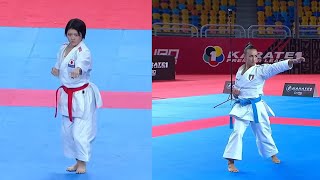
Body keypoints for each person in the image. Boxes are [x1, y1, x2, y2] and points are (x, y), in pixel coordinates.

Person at [222, 43, 305, 173]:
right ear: (244, 57)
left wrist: (292, 61)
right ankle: (230, 161)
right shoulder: (239, 70)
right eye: (251, 56)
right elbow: (237, 88)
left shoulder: (260, 70)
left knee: (264, 132)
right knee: (237, 132)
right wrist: (235, 92)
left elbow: (275, 67)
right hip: (242, 107)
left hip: (256, 106)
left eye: (256, 56)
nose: (254, 59)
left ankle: (272, 154)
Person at [51, 18, 103, 174]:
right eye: (70, 34)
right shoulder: (62, 48)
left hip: (81, 96)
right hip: (67, 95)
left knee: (79, 133)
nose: (72, 38)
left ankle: (83, 163)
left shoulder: (84, 52)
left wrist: (78, 70)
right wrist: (56, 71)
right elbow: (59, 67)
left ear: (82, 35)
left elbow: (82, 65)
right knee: (67, 133)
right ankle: (77, 161)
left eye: (76, 35)